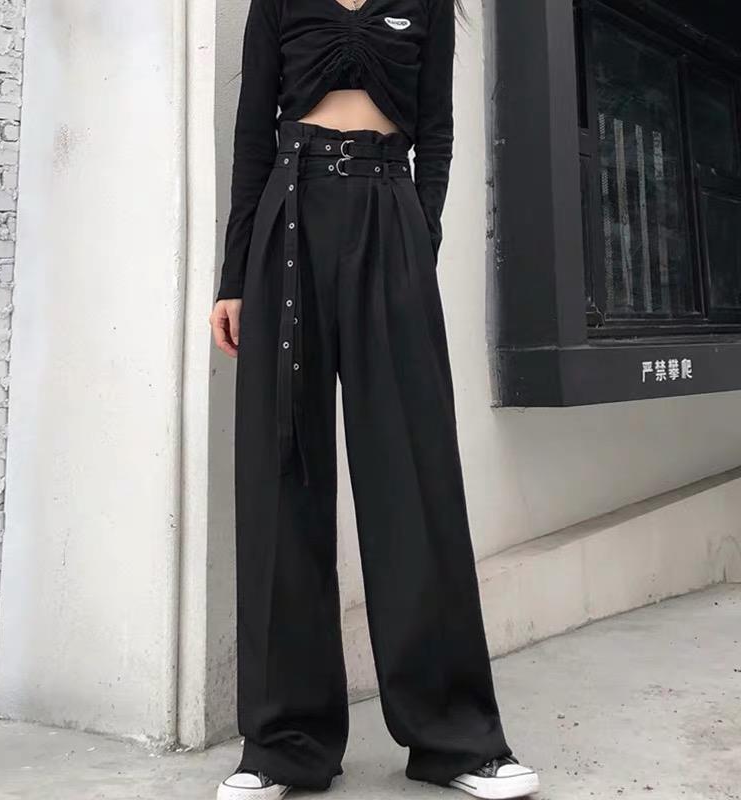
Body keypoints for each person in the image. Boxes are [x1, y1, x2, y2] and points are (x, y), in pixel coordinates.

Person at [209, 1, 541, 798]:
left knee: (414, 474)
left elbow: (437, 130)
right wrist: (233, 278)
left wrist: (418, 237)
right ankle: (283, 746)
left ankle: (456, 740)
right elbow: (253, 133)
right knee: (282, 473)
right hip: (288, 222)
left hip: (388, 215)